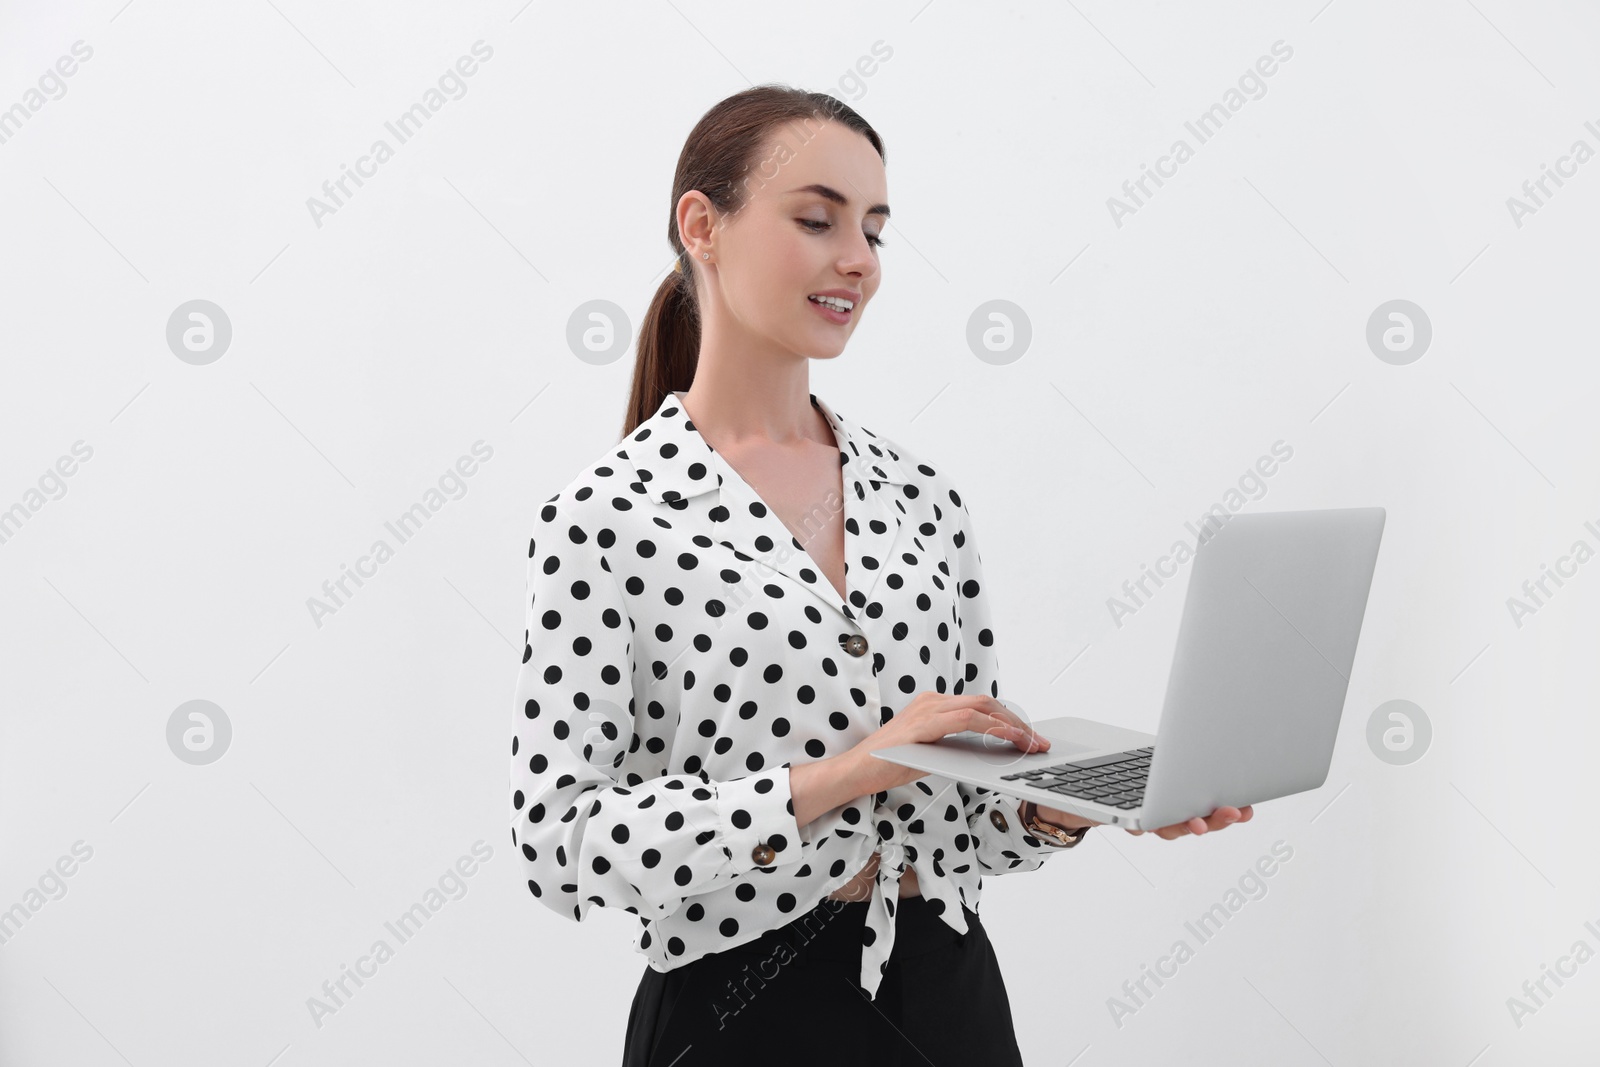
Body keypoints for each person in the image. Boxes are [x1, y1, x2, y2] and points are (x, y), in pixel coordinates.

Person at [509, 84, 1252, 1067]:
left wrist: (1058, 801)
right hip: (738, 1012)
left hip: (948, 996)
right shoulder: (606, 516)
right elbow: (559, 839)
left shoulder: (923, 496)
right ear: (703, 225)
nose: (857, 258)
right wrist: (844, 774)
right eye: (817, 220)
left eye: (875, 229)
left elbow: (962, 801)